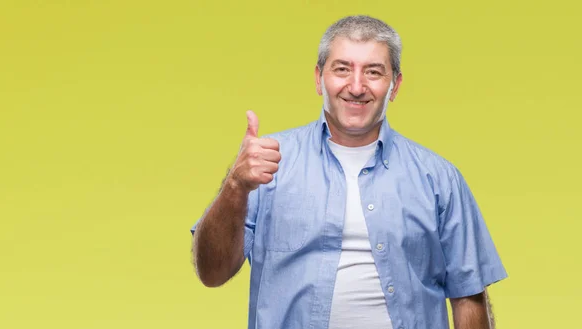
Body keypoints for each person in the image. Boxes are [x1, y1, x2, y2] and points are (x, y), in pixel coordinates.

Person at [190, 15, 508, 329]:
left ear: (395, 85)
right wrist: (235, 185)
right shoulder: (267, 165)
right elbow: (212, 273)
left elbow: (469, 297)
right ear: (318, 78)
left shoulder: (439, 179)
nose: (356, 87)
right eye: (342, 69)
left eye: (373, 72)